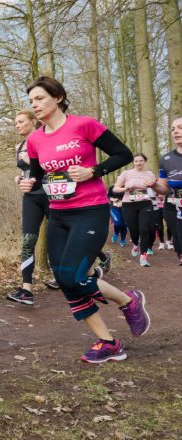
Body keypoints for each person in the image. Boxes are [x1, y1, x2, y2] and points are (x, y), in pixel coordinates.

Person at [18, 77, 150, 363]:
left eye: (39, 99)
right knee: (65, 281)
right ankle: (108, 342)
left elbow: (122, 154)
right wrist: (29, 183)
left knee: (75, 277)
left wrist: (94, 171)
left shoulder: (84, 125)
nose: (35, 105)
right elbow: (39, 175)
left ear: (58, 97)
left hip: (90, 210)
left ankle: (128, 301)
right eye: (31, 102)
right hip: (58, 214)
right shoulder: (35, 139)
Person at [7, 109, 50, 305]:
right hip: (31, 197)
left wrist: (33, 162)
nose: (17, 125)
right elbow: (26, 172)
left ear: (33, 122)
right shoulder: (19, 145)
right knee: (27, 241)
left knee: (63, 236)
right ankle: (27, 290)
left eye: (21, 121)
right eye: (15, 122)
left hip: (51, 195)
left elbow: (53, 166)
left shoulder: (46, 138)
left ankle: (94, 266)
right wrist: (19, 178)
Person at [114, 153, 158, 267]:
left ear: (145, 161)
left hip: (145, 204)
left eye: (141, 160)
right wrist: (125, 188)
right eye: (136, 161)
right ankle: (135, 243)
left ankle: (143, 257)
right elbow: (116, 188)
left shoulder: (150, 174)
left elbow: (155, 189)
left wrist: (153, 188)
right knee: (134, 230)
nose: (138, 163)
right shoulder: (126, 173)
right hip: (129, 204)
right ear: (133, 162)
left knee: (144, 229)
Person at [156, 116, 182, 265]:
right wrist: (153, 185)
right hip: (172, 206)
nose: (175, 132)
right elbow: (164, 188)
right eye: (172, 129)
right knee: (177, 234)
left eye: (180, 128)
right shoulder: (165, 159)